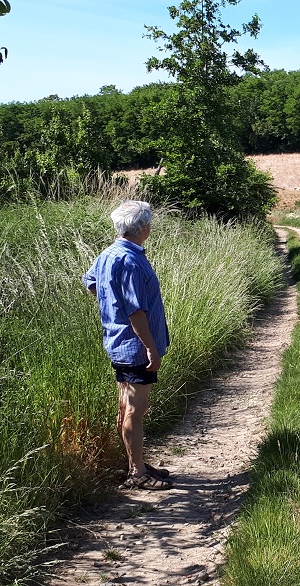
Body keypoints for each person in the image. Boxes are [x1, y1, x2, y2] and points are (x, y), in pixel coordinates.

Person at [83, 200, 173, 491]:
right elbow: (136, 310)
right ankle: (137, 473)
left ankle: (138, 465)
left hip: (118, 342)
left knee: (126, 405)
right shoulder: (132, 260)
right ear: (143, 228)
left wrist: (110, 305)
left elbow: (91, 282)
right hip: (134, 348)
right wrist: (150, 347)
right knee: (135, 408)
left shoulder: (109, 254)